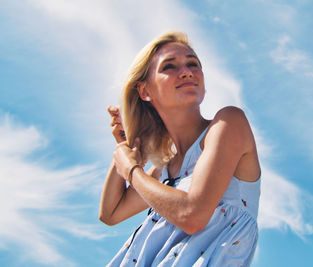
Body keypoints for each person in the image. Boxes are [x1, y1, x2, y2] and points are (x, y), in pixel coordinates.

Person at [99, 31, 261, 266]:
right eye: (169, 66)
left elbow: (192, 215)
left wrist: (131, 170)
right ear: (145, 91)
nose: (186, 71)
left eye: (193, 63)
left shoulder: (228, 123)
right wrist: (126, 146)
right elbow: (110, 213)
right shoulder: (164, 170)